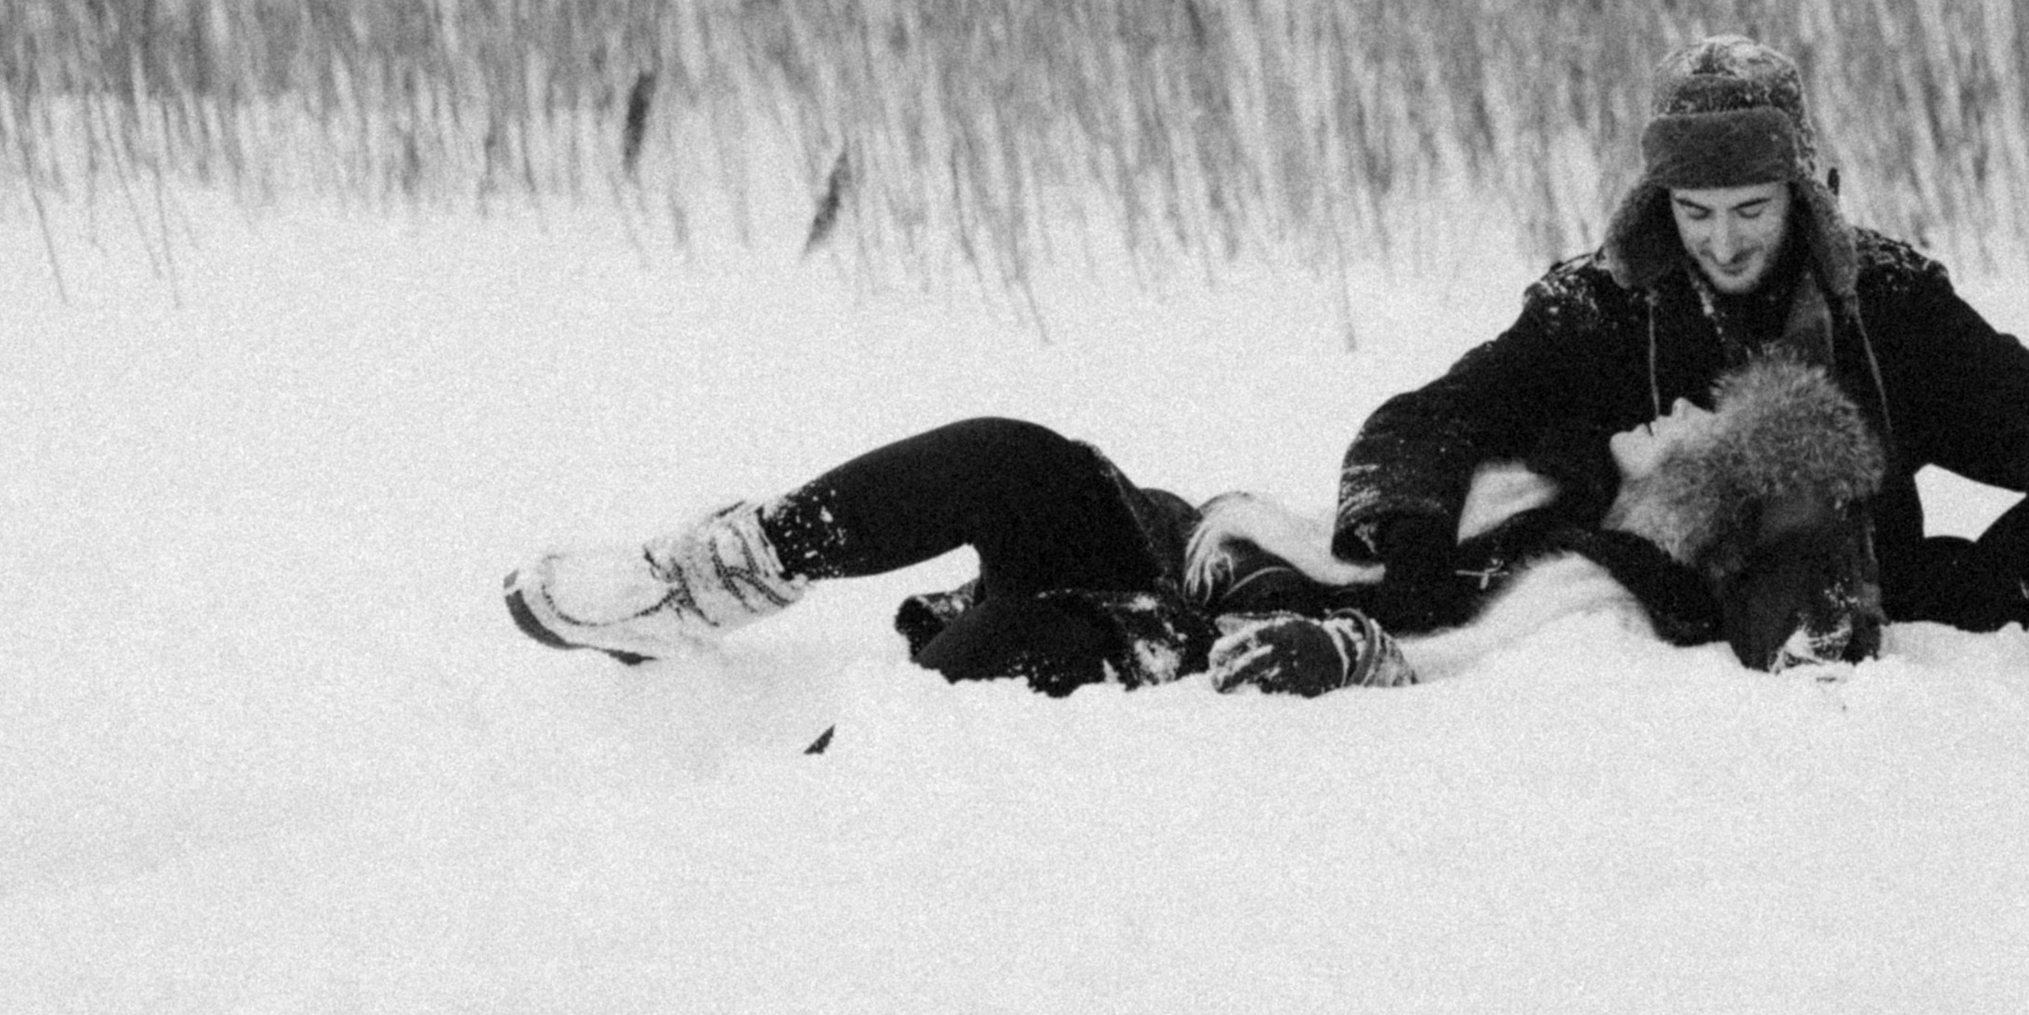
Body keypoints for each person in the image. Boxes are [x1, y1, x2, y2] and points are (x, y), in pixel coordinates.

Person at [1333, 32, 2029, 681]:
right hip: (1671, 603)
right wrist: (1404, 542)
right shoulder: (1601, 306)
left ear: (1801, 198)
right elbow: (1430, 418)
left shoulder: (1884, 302)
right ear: (1659, 208)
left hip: (1871, 585)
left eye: (1751, 210)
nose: (1722, 243)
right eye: (1695, 213)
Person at [503, 336, 1887, 701]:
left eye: (1699, 428)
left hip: (1181, 632)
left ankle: (789, 815)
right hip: (1179, 545)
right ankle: (714, 578)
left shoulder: (1598, 574)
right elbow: (1406, 446)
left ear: (1697, 486)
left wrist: (1333, 642)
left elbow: (1460, 654)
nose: (1668, 414)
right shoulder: (1561, 473)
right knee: (1011, 453)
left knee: (1002, 662)